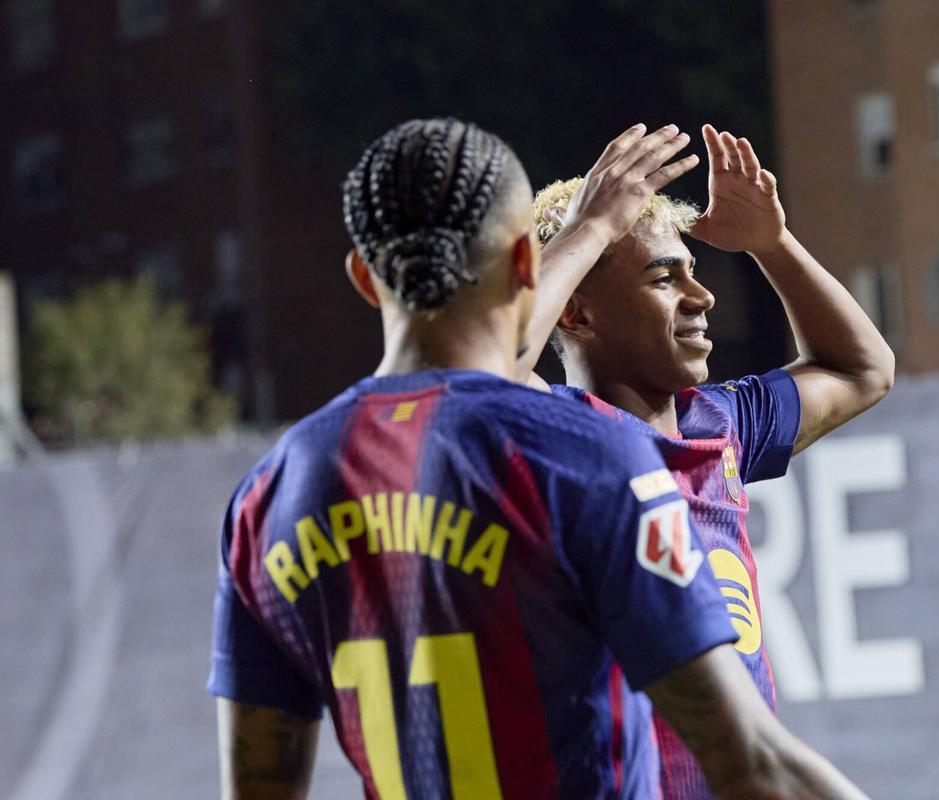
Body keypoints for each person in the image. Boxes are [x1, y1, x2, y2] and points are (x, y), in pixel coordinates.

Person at [207, 118, 870, 800]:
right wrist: (590, 229)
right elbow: (750, 761)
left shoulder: (269, 495)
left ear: (363, 277)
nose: (698, 297)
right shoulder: (584, 454)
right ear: (528, 267)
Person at [526, 123, 895, 799]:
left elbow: (862, 369)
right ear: (575, 314)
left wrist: (772, 244)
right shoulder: (546, 436)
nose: (701, 298)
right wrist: (589, 229)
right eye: (663, 279)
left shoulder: (718, 423)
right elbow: (484, 364)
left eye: (692, 273)